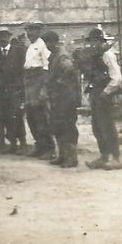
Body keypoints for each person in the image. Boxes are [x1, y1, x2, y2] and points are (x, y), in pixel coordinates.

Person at [80, 26, 122, 170]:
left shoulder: (108, 55)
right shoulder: (96, 55)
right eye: (91, 41)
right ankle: (104, 156)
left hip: (105, 96)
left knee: (107, 126)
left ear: (101, 41)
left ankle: (116, 158)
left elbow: (117, 78)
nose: (93, 44)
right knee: (97, 127)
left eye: (95, 41)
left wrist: (105, 93)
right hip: (96, 95)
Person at [42, 30, 81, 168]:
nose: (47, 45)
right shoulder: (54, 56)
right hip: (58, 98)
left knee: (67, 127)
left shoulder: (62, 56)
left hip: (66, 98)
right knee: (58, 126)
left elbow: (70, 71)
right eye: (45, 43)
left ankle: (71, 158)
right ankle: (63, 155)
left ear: (54, 42)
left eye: (48, 42)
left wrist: (58, 84)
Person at [0, 26, 27, 155]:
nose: (3, 39)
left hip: (16, 91)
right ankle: (13, 144)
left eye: (5, 36)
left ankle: (22, 143)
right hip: (2, 93)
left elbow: (23, 72)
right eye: (0, 37)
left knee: (17, 117)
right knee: (7, 118)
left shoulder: (19, 52)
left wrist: (21, 91)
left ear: (9, 37)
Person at [23, 20, 55, 158]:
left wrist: (43, 88)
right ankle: (39, 146)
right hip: (29, 81)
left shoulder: (43, 45)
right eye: (28, 30)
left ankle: (48, 148)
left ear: (39, 31)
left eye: (32, 30)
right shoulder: (30, 46)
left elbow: (47, 68)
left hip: (38, 80)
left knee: (41, 116)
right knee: (31, 115)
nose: (29, 33)